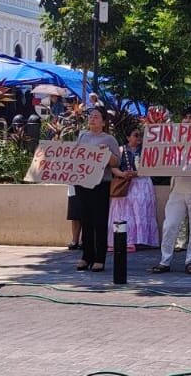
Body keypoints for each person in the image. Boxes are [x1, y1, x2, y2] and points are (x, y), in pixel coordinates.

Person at [152, 106, 191, 274]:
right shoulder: (175, 138)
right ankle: (164, 261)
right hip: (178, 189)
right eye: (185, 117)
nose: (188, 120)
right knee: (169, 225)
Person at [73, 108, 122, 272]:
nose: (92, 119)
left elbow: (116, 162)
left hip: (101, 184)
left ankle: (100, 258)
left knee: (99, 221)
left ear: (103, 122)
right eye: (91, 116)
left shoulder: (109, 139)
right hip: (83, 183)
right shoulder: (82, 136)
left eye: (96, 117)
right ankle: (86, 256)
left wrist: (106, 154)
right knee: (85, 220)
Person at [109, 127, 159, 251]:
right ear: (128, 137)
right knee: (123, 212)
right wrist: (122, 174)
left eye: (140, 135)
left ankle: (141, 240)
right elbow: (113, 167)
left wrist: (138, 173)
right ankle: (124, 240)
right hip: (125, 184)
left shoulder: (146, 150)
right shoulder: (121, 150)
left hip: (142, 183)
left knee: (141, 211)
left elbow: (153, 166)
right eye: (136, 135)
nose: (139, 138)